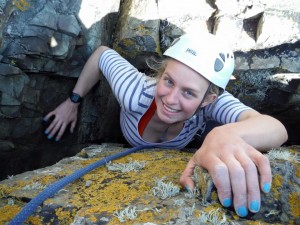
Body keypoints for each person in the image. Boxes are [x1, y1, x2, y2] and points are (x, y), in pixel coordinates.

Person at [43, 32, 288, 217]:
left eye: (189, 93)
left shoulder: (214, 105)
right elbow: (102, 54)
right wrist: (73, 101)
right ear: (160, 74)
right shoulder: (134, 92)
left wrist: (222, 135)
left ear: (208, 99)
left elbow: (275, 128)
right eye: (168, 81)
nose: (171, 100)